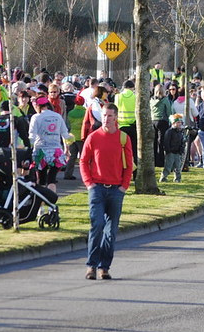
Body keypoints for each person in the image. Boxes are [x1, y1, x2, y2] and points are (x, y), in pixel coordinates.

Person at [79, 103, 134, 280]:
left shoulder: (123, 138)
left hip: (116, 190)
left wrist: (124, 186)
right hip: (97, 188)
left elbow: (129, 164)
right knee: (97, 226)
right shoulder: (93, 137)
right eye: (104, 115)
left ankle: (104, 267)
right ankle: (91, 265)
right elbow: (83, 161)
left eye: (109, 116)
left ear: (115, 117)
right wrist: (89, 183)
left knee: (111, 231)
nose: (106, 119)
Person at [30, 96, 70, 194]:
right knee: (52, 179)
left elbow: (32, 135)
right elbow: (65, 134)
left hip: (41, 150)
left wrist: (29, 148)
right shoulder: (57, 116)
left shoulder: (36, 117)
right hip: (55, 150)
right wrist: (67, 148)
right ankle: (52, 203)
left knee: (41, 179)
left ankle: (40, 206)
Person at [161, 114, 186, 183]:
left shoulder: (180, 132)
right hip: (170, 152)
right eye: (178, 122)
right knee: (168, 166)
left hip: (178, 152)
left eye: (180, 123)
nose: (179, 124)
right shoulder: (169, 132)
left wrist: (181, 149)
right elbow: (166, 142)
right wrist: (168, 150)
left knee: (178, 167)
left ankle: (177, 178)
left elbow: (182, 142)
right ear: (173, 123)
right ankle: (163, 177)